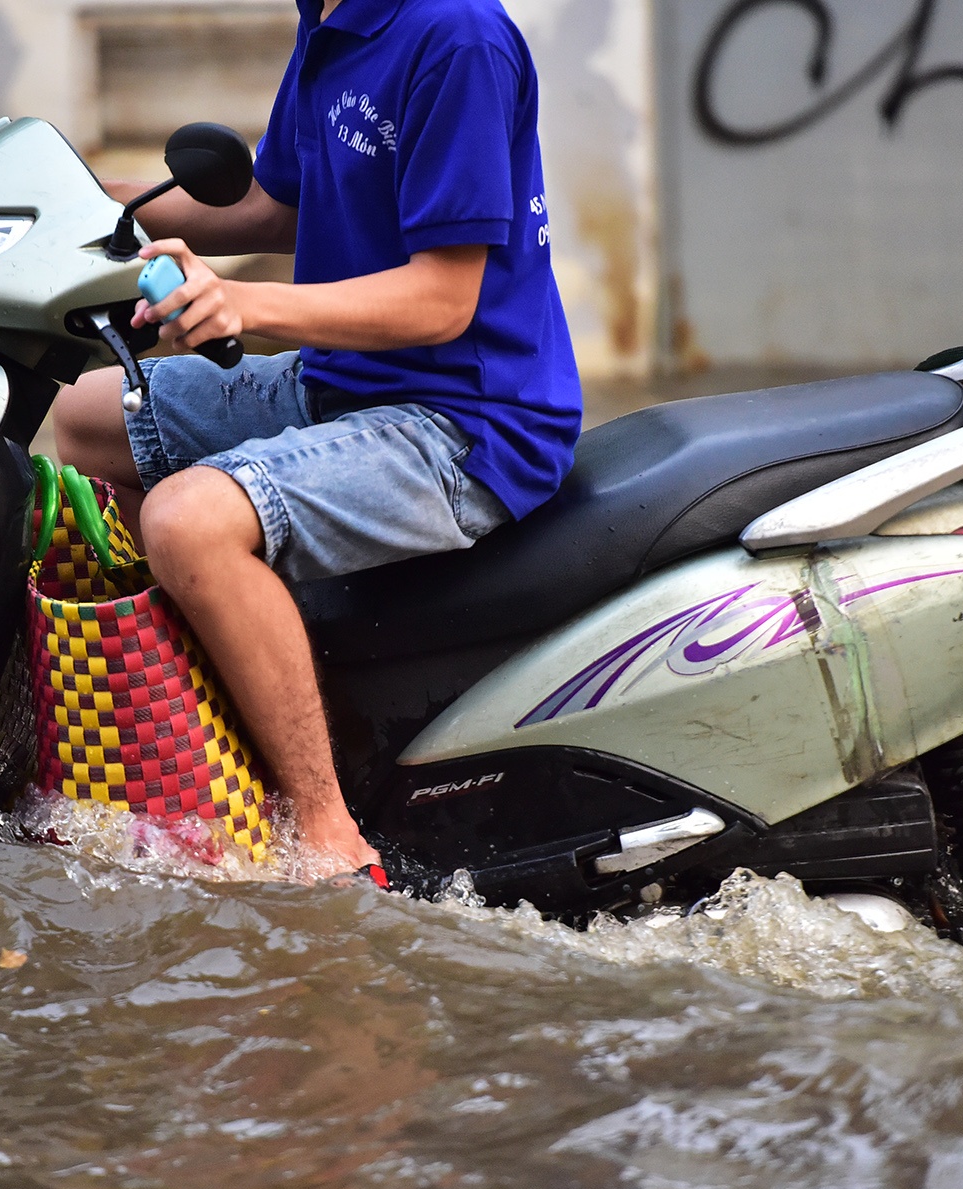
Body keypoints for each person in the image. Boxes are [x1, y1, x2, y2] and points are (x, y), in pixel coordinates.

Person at [52, 0, 581, 880]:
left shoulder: (457, 37)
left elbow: (443, 300)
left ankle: (327, 829)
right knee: (83, 415)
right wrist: (83, 204)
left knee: (187, 521)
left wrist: (242, 303)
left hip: (468, 421)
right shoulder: (331, 15)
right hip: (343, 380)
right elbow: (274, 204)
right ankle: (203, 713)